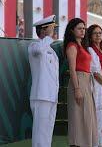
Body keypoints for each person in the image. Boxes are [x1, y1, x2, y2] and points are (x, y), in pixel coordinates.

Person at [63, 18, 97, 147]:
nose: (83, 31)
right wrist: (77, 89)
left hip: (86, 82)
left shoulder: (83, 46)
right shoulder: (72, 46)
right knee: (78, 118)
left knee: (87, 117)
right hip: (79, 81)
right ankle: (77, 144)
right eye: (79, 28)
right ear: (72, 30)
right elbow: (72, 69)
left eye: (84, 28)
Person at [28, 15, 59, 147]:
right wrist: (47, 37)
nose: (54, 31)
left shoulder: (51, 49)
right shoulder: (34, 46)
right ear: (43, 30)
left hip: (51, 96)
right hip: (41, 95)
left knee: (47, 132)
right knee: (40, 133)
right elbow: (39, 50)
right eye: (52, 28)